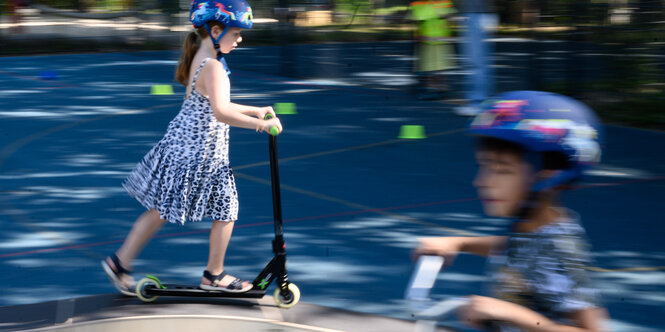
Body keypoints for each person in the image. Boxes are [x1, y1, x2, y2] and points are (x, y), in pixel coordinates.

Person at [101, 0, 283, 295]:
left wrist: (254, 110)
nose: (240, 39)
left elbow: (216, 104)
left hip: (183, 148)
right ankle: (214, 274)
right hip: (198, 154)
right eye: (236, 33)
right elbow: (221, 112)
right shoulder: (212, 65)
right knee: (227, 209)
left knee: (161, 209)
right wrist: (261, 125)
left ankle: (120, 262)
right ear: (215, 30)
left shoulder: (204, 56)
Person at [414, 91, 608, 331]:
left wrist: (513, 314)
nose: (482, 181)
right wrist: (458, 243)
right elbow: (520, 248)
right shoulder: (535, 228)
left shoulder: (562, 247)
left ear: (548, 176)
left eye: (502, 170)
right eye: (484, 167)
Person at [453, 0, 496, 116]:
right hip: (477, 14)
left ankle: (478, 103)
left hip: (476, 15)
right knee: (479, 62)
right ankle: (482, 102)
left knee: (476, 62)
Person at [409, 0, 457, 100]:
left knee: (440, 67)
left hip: (440, 37)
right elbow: (416, 17)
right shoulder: (420, 3)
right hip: (428, 38)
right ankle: (430, 88)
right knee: (430, 66)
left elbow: (450, 14)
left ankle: (441, 88)